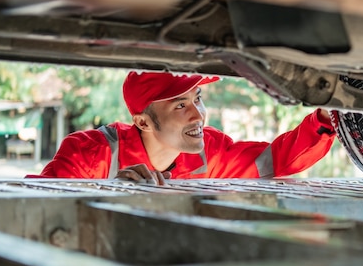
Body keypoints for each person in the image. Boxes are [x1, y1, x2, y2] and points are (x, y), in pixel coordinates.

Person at [28, 71, 336, 185]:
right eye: (180, 105)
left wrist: (327, 115)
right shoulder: (90, 153)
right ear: (143, 122)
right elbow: (32, 203)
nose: (198, 116)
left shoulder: (209, 152)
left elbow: (277, 160)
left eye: (197, 99)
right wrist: (110, 194)